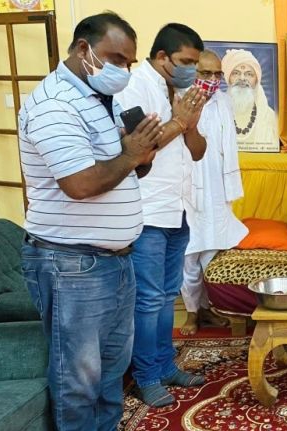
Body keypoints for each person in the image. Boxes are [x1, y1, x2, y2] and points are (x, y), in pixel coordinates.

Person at [18, 12, 163, 431]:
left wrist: (140, 155)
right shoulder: (54, 105)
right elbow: (79, 184)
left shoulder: (98, 100)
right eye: (116, 58)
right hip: (70, 261)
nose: (124, 69)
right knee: (78, 370)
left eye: (129, 61)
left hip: (113, 257)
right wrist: (131, 154)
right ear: (84, 50)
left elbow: (123, 170)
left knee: (112, 361)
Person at [116, 23, 208, 408]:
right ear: (161, 57)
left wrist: (190, 126)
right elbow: (140, 148)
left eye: (194, 64)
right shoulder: (134, 86)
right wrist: (179, 122)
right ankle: (146, 376)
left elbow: (198, 151)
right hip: (148, 210)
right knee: (149, 299)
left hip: (178, 208)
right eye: (186, 62)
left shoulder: (181, 92)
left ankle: (166, 365)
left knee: (168, 295)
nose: (191, 70)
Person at [179, 50, 249, 335]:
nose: (212, 80)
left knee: (211, 253)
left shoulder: (223, 101)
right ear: (192, 73)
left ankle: (207, 308)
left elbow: (228, 147)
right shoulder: (179, 100)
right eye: (205, 73)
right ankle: (191, 312)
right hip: (187, 189)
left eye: (217, 74)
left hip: (216, 188)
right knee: (188, 256)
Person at [222, 49, 278, 152]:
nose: (242, 78)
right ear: (228, 78)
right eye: (236, 73)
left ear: (256, 81)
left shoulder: (269, 116)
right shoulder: (218, 113)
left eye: (249, 74)